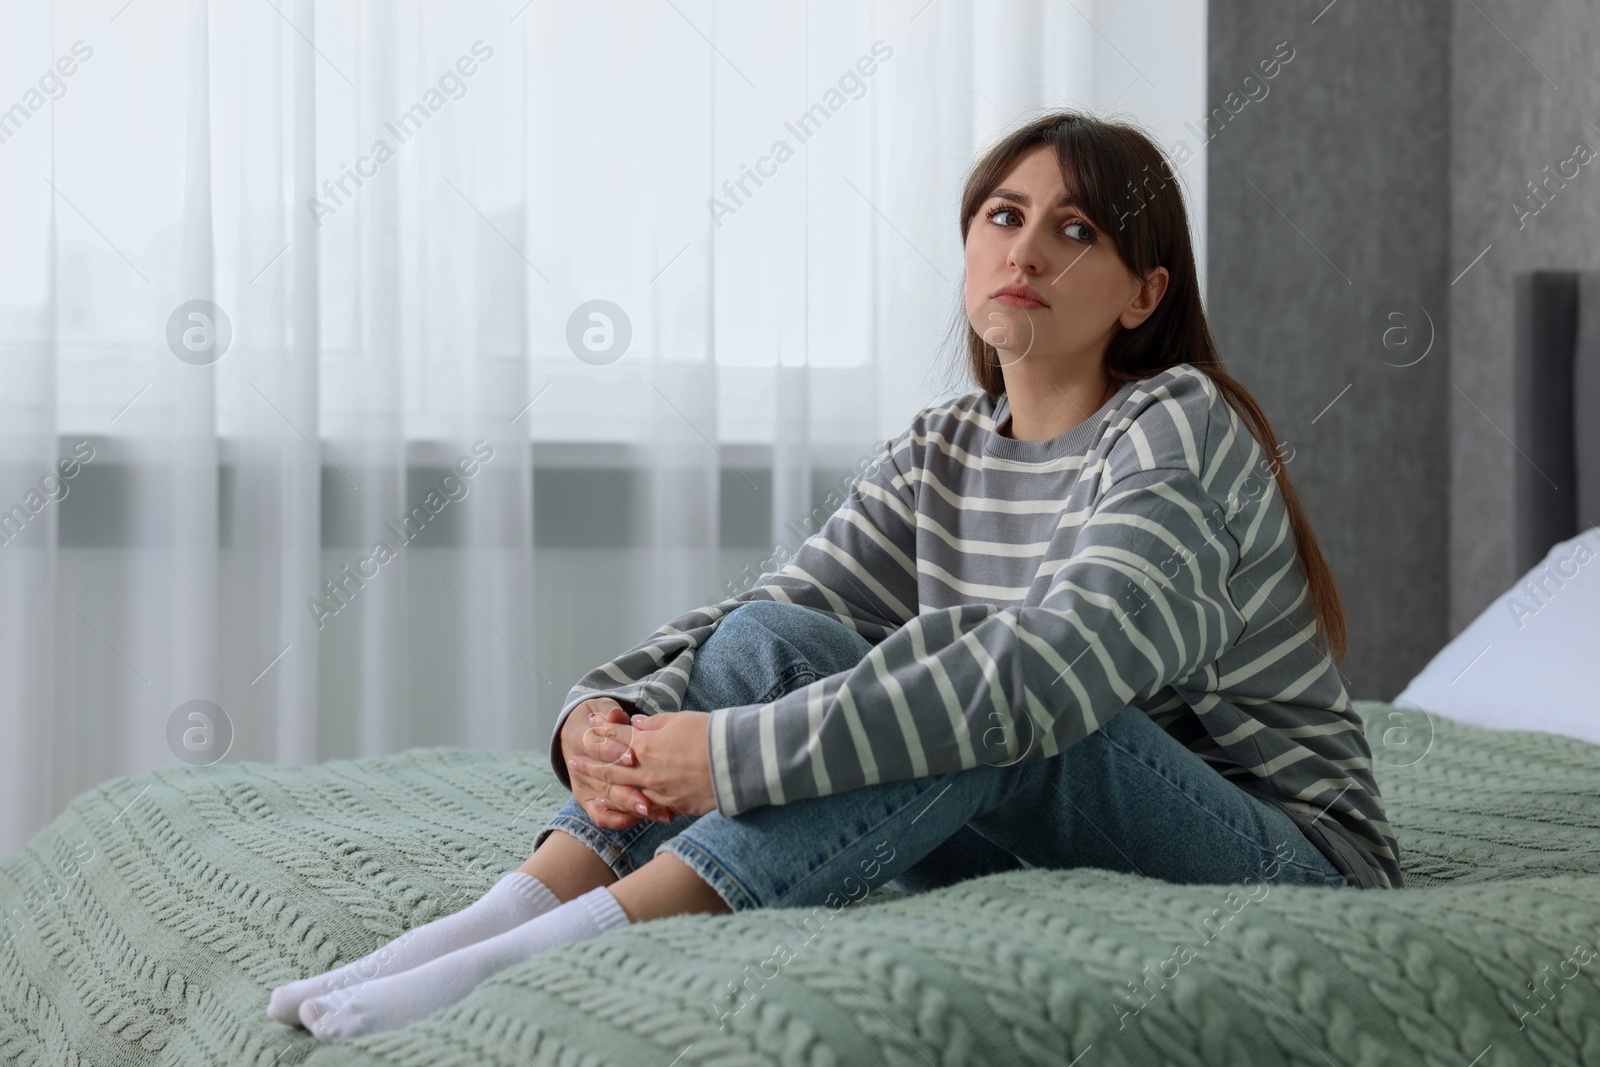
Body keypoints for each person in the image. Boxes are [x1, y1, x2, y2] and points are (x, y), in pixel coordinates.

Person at [271, 109, 1402, 1044]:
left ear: (1141, 294)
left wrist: (727, 756)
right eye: (1003, 217)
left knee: (978, 688)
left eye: (1074, 232)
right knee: (774, 645)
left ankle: (568, 940)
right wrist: (606, 710)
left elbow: (1050, 677)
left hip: (1284, 856)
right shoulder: (945, 446)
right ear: (967, 249)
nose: (1026, 252)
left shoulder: (1177, 426)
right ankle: (508, 908)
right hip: (1053, 788)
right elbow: (771, 615)